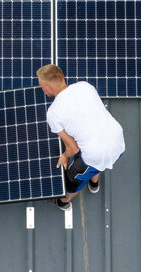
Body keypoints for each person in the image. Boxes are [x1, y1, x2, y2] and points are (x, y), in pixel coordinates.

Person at [37, 64, 125, 210]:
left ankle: (64, 202)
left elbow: (73, 148)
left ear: (48, 88)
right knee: (97, 163)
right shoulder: (85, 86)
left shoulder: (53, 113)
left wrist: (65, 156)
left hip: (97, 153)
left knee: (71, 182)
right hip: (117, 140)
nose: (42, 90)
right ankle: (94, 183)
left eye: (42, 87)